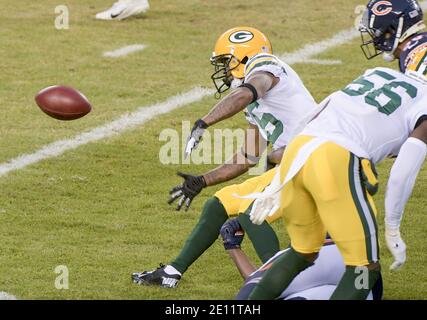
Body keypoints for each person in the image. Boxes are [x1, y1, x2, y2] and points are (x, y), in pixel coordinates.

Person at [245, 0, 427, 300]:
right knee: (365, 269)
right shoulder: (420, 96)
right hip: (336, 158)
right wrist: (392, 228)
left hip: (298, 150)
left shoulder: (372, 75)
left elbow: (315, 115)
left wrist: (279, 176)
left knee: (302, 252)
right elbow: (404, 167)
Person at [131, 26, 318, 288]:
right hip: (292, 162)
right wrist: (202, 181)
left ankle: (282, 281)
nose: (224, 69)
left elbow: (245, 93)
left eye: (226, 61)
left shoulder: (264, 66)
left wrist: (204, 122)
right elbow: (247, 156)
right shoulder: (254, 99)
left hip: (311, 159)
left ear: (244, 57)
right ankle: (172, 272)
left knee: (250, 212)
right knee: (217, 204)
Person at [219, 218, 382, 300]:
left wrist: (233, 247)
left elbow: (262, 285)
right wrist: (233, 247)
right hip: (366, 279)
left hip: (347, 261)